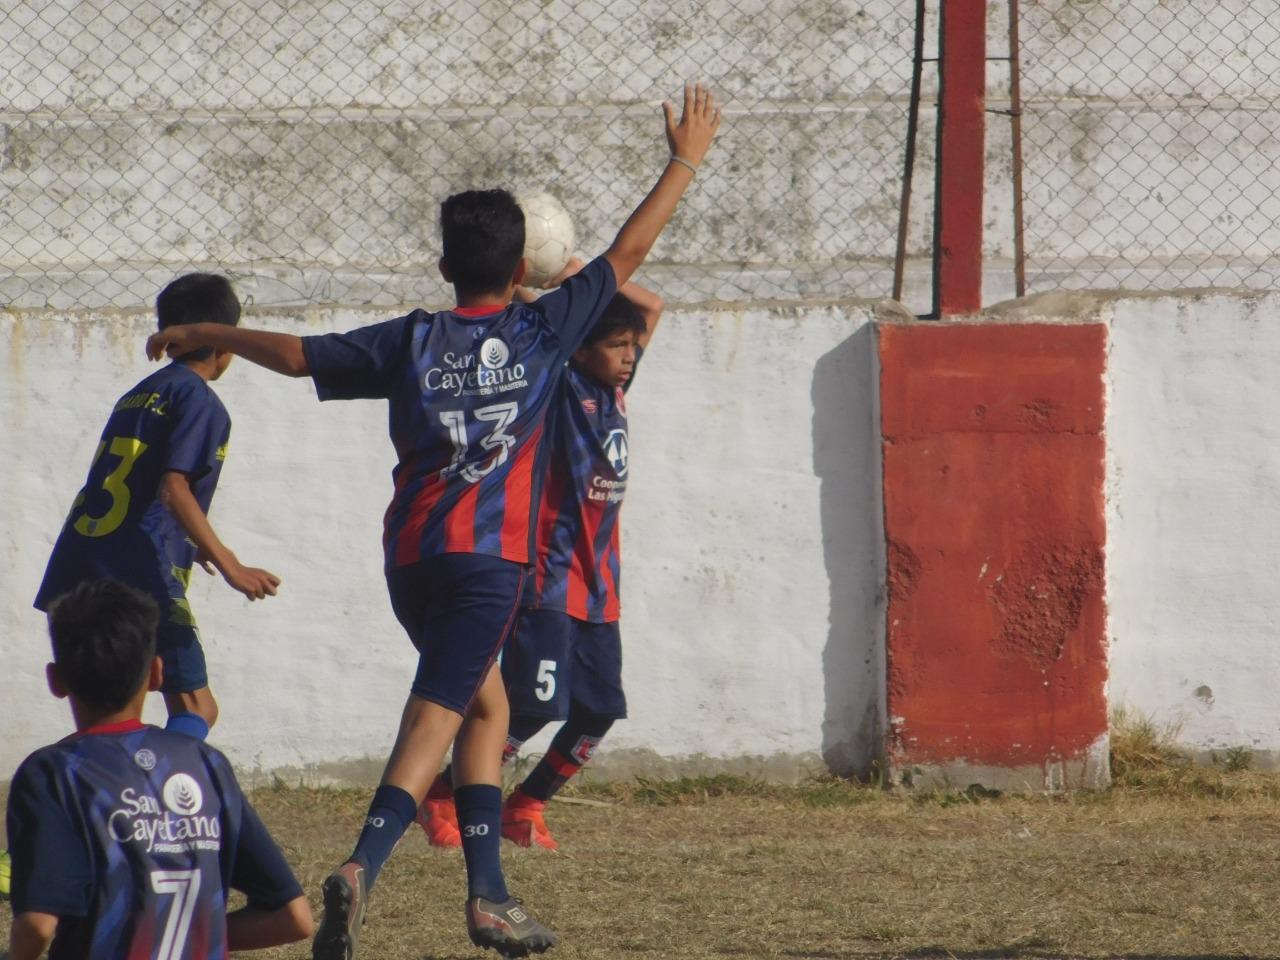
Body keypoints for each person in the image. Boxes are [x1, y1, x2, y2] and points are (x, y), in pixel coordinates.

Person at [144, 82, 720, 960]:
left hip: (411, 560)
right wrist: (685, 158)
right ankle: (360, 866)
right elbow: (630, 250)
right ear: (522, 270)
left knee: (486, 708)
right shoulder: (544, 332)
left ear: (446, 269)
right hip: (490, 564)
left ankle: (488, 895)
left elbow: (299, 359)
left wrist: (213, 327)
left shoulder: (411, 340)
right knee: (440, 716)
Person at [417, 286, 660, 852]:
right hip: (548, 578)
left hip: (599, 585)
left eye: (632, 346)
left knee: (599, 709)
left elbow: (651, 309)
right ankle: (442, 792)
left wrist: (572, 267)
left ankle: (525, 805)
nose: (629, 354)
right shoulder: (562, 386)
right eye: (616, 345)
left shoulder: (616, 389)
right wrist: (538, 291)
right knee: (536, 702)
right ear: (579, 349)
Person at [5, 578, 311, 960]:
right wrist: (193, 936)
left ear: (55, 680)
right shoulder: (206, 764)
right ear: (156, 674)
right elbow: (293, 918)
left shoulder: (53, 774)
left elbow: (37, 924)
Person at [33, 272, 281, 743]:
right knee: (197, 708)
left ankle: (95, 787)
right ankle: (150, 789)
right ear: (223, 341)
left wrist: (195, 543)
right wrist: (232, 565)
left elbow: (139, 485)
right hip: (138, 570)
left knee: (107, 709)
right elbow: (172, 488)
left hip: (79, 562)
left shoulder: (139, 394)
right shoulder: (201, 403)